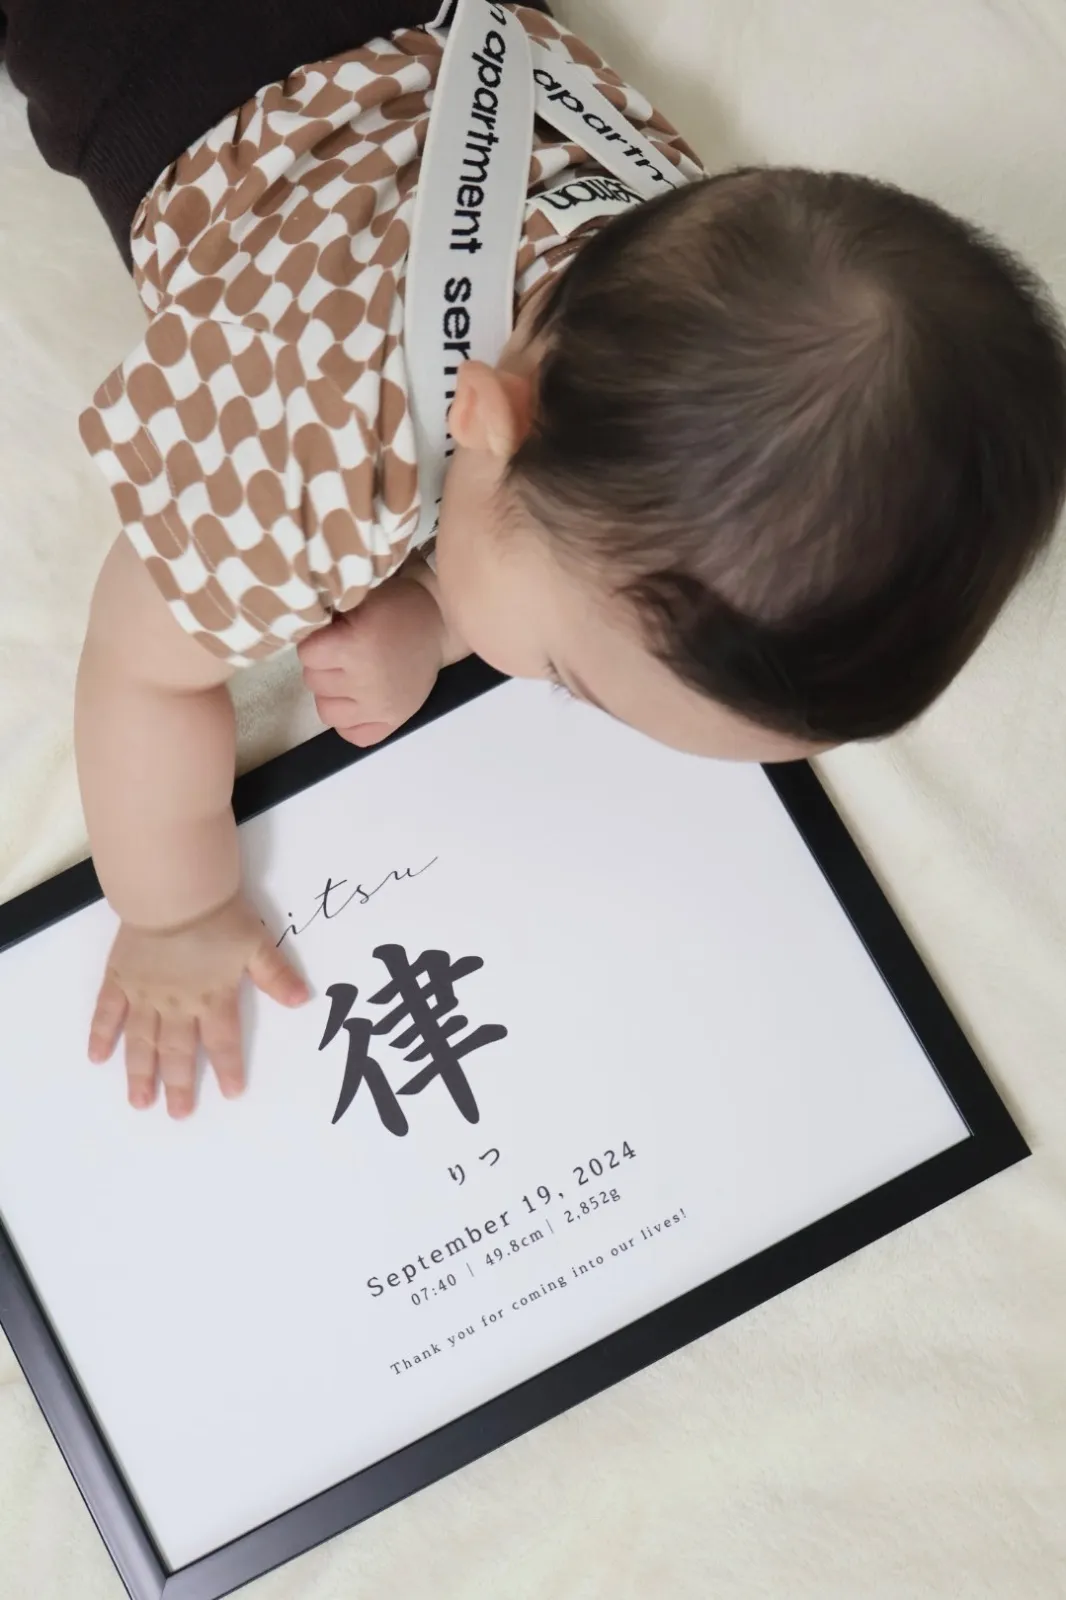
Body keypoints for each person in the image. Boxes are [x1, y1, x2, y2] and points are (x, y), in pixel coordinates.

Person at [5, 2, 1066, 1118]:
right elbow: (138, 665)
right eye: (562, 674)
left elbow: (517, 532)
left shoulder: (677, 254)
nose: (544, 684)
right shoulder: (297, 463)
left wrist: (434, 613)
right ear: (486, 421)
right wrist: (175, 909)